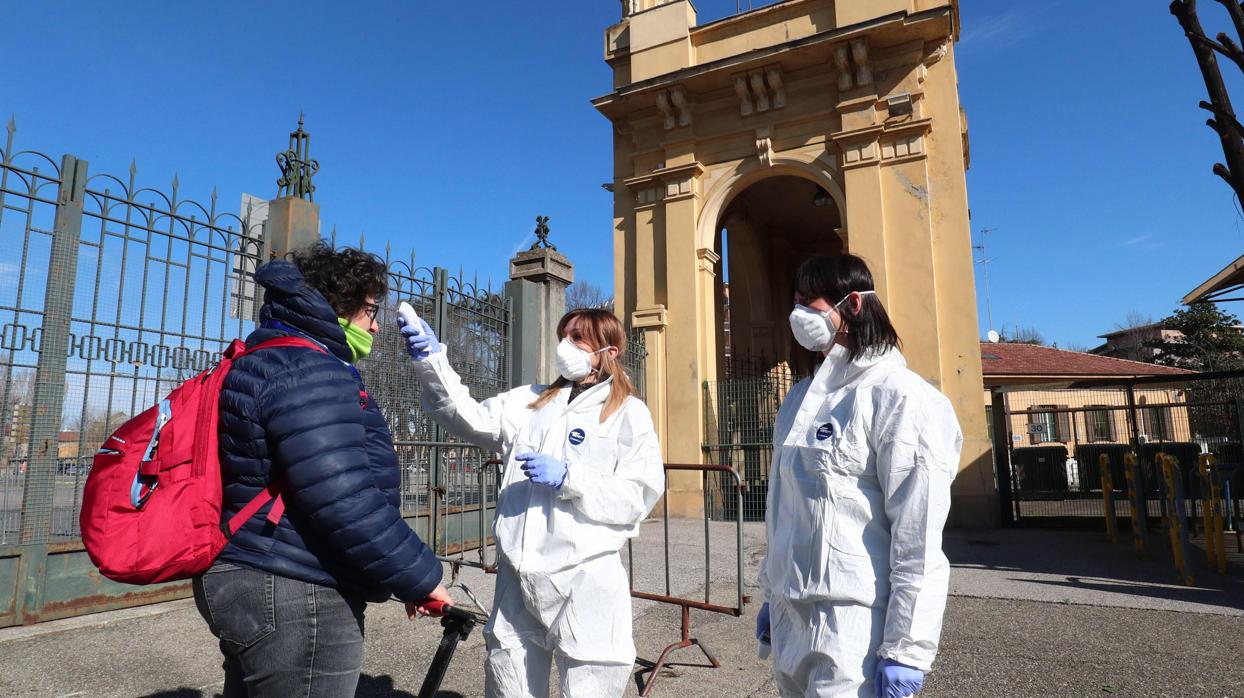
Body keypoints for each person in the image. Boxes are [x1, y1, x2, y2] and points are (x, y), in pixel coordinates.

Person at [194, 242, 452, 697]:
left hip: (247, 569)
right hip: (296, 587)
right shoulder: (310, 369)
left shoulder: (266, 356)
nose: (375, 325)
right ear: (338, 306)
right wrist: (420, 577)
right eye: (370, 310)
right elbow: (343, 498)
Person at [399, 307, 664, 698]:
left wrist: (570, 479)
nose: (565, 345)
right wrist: (432, 362)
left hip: (582, 575)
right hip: (517, 574)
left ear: (609, 350)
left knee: (592, 675)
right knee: (509, 674)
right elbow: (466, 416)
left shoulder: (627, 414)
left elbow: (639, 493)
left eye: (577, 338)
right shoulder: (532, 402)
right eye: (564, 335)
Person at [756, 254, 962, 698]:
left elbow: (918, 535)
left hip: (852, 625)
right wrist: (771, 592)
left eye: (809, 302)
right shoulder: (800, 399)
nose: (798, 314)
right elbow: (782, 508)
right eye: (795, 302)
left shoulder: (902, 398)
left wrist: (907, 648)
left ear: (851, 304)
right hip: (791, 613)